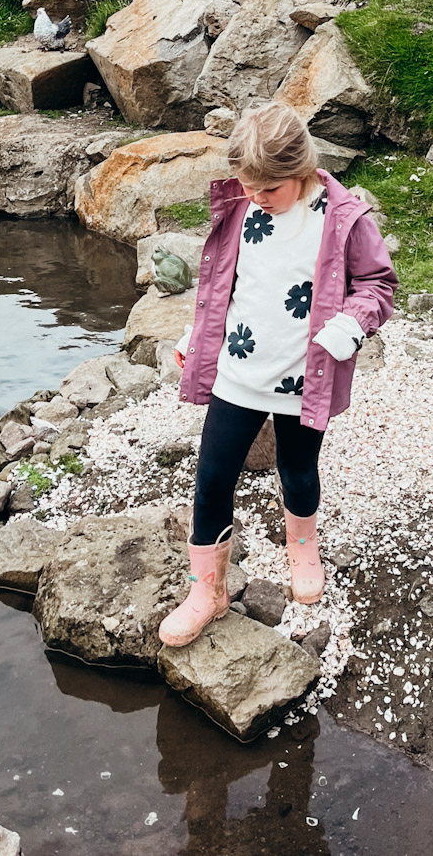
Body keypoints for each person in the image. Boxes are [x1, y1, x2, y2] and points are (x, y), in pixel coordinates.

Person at [159, 101, 397, 648]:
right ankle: (206, 592)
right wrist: (196, 337)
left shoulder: (342, 219)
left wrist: (349, 328)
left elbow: (379, 288)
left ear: (303, 170)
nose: (255, 198)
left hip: (303, 377)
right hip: (237, 372)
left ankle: (303, 548)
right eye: (248, 186)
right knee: (213, 476)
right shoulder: (241, 208)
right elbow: (226, 285)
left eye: (268, 189)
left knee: (297, 469)